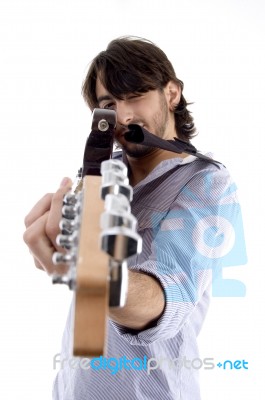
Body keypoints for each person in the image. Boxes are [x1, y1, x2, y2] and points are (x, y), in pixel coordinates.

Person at [23, 37, 243, 399]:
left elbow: (168, 297)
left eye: (135, 94)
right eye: (109, 103)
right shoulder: (102, 171)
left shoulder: (207, 183)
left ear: (171, 93)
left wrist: (96, 276)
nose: (122, 116)